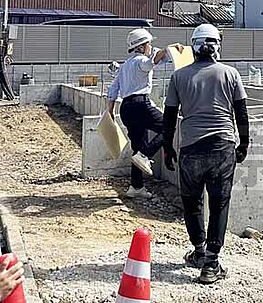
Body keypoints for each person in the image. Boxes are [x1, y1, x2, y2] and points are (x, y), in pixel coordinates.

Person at [162, 23, 249, 285]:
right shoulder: (230, 73)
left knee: (192, 202)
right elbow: (241, 112)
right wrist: (243, 143)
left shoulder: (179, 76)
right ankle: (211, 263)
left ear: (194, 46)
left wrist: (167, 147)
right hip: (222, 147)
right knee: (220, 203)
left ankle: (199, 251)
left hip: (191, 148)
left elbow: (169, 116)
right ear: (216, 46)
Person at [106, 28, 183, 199]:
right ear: (141, 46)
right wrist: (168, 49)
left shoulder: (125, 65)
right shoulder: (141, 61)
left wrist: (109, 111)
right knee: (167, 126)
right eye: (149, 44)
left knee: (138, 146)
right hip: (140, 104)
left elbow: (113, 89)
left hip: (126, 108)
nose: (151, 47)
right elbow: (151, 63)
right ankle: (145, 155)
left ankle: (136, 187)